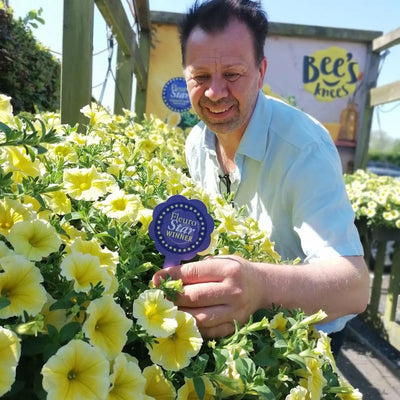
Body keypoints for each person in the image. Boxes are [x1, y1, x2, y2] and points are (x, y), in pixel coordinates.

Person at [152, 0, 370, 355]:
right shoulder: (196, 141)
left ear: (261, 72)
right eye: (201, 76)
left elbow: (354, 288)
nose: (215, 92)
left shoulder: (305, 148)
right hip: (234, 332)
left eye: (233, 74)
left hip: (305, 338)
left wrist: (260, 288)